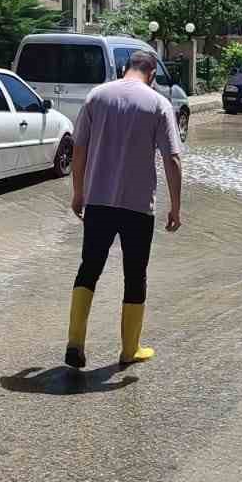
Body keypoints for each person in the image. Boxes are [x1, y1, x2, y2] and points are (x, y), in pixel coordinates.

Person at [65, 49, 184, 369]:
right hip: (137, 208)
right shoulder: (158, 103)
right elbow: (172, 158)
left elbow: (79, 148)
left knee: (89, 267)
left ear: (123, 69)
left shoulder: (97, 96)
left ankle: (75, 342)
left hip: (99, 201)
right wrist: (176, 206)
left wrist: (79, 193)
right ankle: (129, 350)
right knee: (135, 276)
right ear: (153, 76)